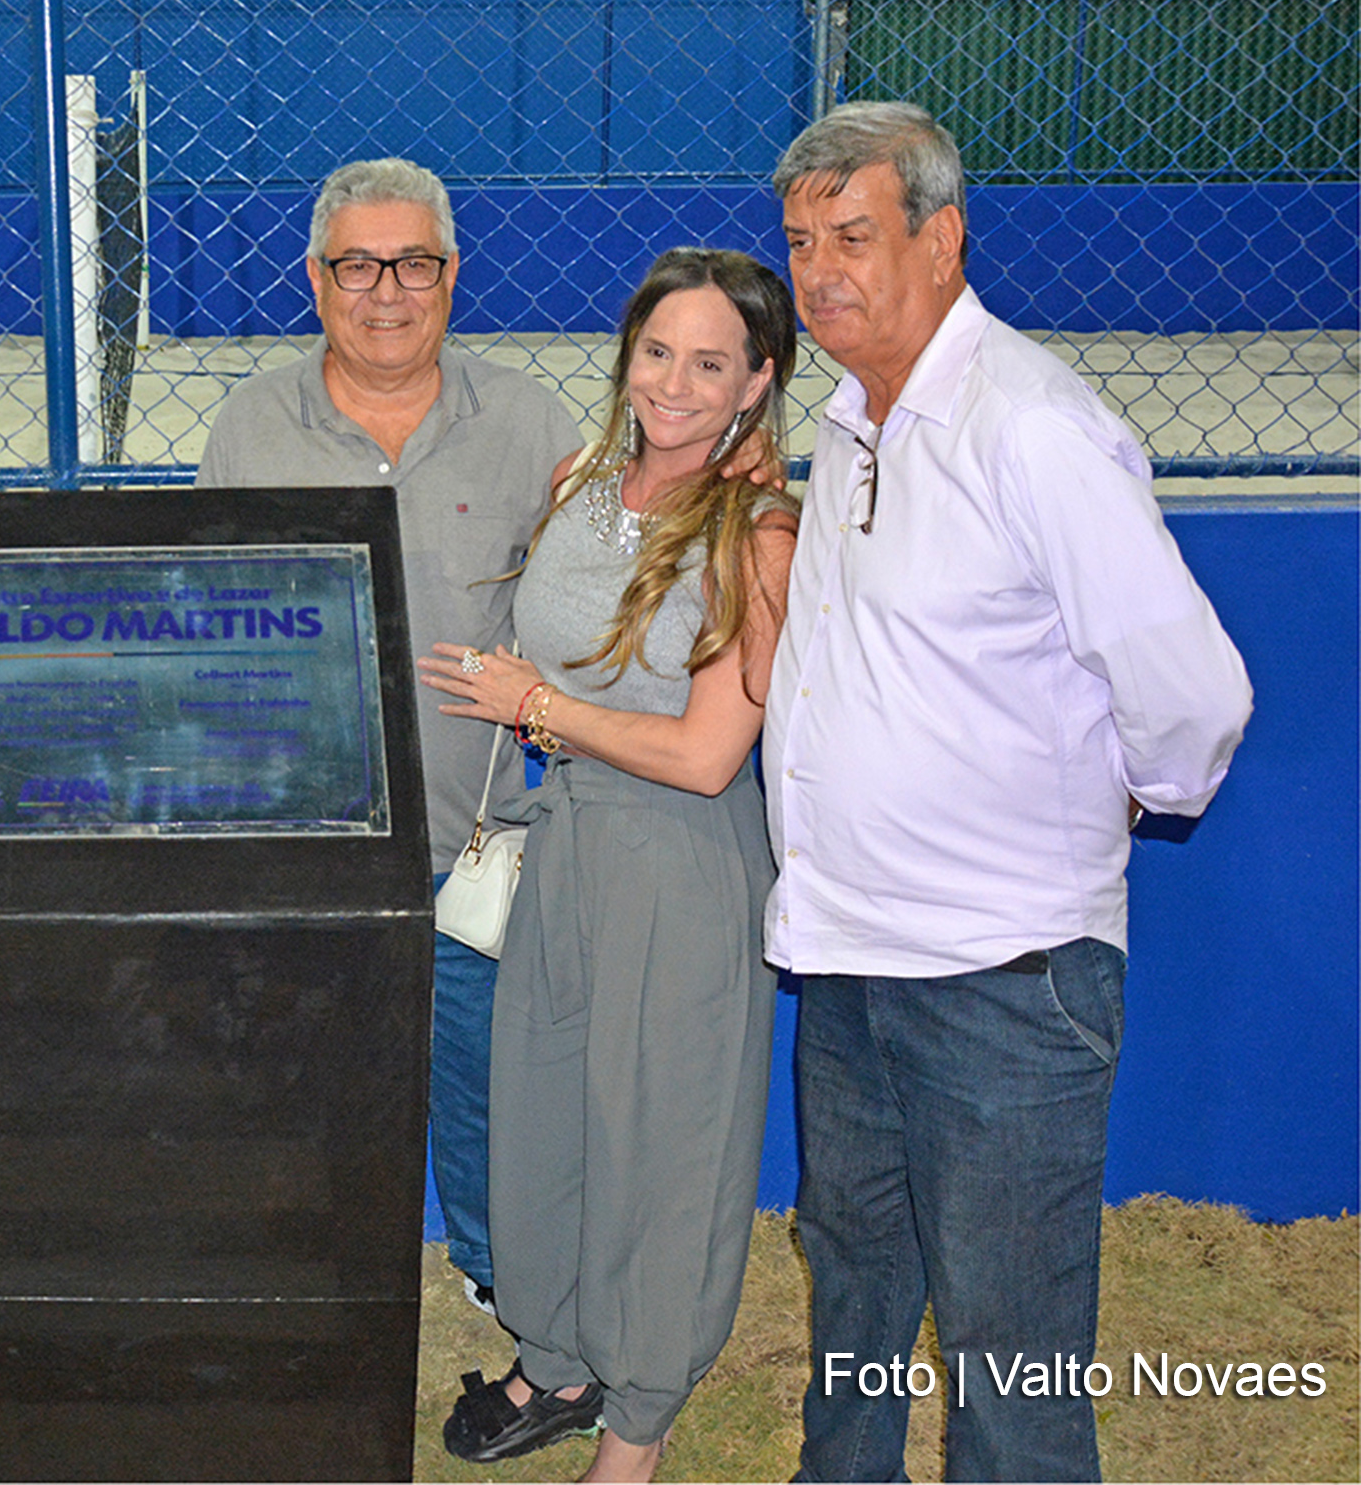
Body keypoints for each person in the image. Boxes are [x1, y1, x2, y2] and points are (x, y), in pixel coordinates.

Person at [766, 102, 1251, 1482]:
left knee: (1012, 1357)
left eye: (853, 236)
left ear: (943, 236)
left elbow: (1194, 696)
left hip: (1003, 979)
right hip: (849, 960)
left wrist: (1077, 828)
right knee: (855, 1304)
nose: (821, 273)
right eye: (801, 244)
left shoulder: (1034, 427)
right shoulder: (853, 420)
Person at [417, 248, 799, 1479]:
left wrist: (536, 705)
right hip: (569, 842)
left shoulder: (757, 533)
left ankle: (633, 1428)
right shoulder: (583, 484)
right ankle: (562, 1356)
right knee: (551, 1120)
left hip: (678, 866)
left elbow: (701, 755)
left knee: (662, 1149)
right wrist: (534, 713)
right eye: (656, 352)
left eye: (710, 363)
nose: (675, 384)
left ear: (757, 383)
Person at [195, 156, 582, 1338]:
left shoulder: (532, 423)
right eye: (357, 265)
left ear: (452, 274)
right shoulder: (252, 425)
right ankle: (316, 1275)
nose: (387, 292)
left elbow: (584, 618)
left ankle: (495, 1264)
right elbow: (208, 627)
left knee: (486, 1079)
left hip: (483, 842)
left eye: (414, 264)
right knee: (307, 1082)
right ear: (315, 278)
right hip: (307, 840)